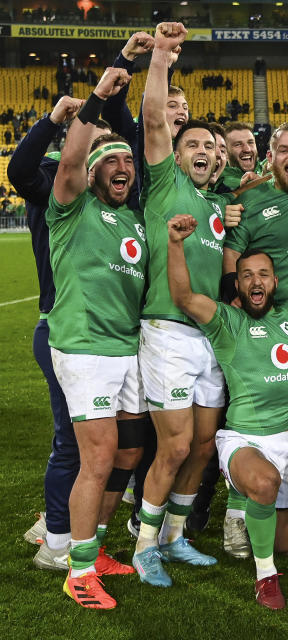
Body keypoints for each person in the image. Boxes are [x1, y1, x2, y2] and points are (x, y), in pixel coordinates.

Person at [165, 215, 288, 609]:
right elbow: (184, 297)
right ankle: (265, 578)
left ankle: (250, 513)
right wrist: (174, 243)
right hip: (244, 440)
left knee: (287, 543)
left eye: (264, 274)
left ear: (275, 282)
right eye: (247, 275)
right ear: (237, 285)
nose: (256, 281)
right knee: (265, 482)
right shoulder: (227, 321)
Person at [131, 22, 241, 588]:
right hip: (167, 331)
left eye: (211, 147)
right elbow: (153, 118)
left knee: (202, 447)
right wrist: (160, 60)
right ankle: (144, 544)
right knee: (173, 446)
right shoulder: (165, 182)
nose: (204, 152)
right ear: (175, 153)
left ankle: (174, 538)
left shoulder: (216, 207)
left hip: (209, 337)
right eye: (194, 144)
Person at [9, 97, 127, 575]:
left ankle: (57, 528)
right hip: (64, 324)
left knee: (93, 442)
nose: (110, 159)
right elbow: (20, 170)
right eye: (97, 147)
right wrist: (55, 118)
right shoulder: (58, 185)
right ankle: (57, 538)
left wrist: (118, 88)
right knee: (73, 443)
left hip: (105, 332)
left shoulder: (119, 202)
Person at [49, 67, 147, 610]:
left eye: (127, 161)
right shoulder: (72, 207)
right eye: (110, 159)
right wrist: (97, 100)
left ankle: (98, 545)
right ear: (90, 172)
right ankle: (79, 570)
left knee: (129, 450)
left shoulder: (131, 221)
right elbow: (67, 161)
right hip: (85, 347)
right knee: (100, 455)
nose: (123, 167)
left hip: (127, 348)